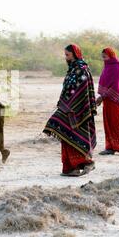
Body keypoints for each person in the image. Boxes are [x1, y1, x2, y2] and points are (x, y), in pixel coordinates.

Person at [44, 44, 97, 177]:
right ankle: (69, 168)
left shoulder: (82, 69)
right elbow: (68, 88)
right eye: (65, 55)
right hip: (67, 106)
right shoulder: (72, 69)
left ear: (75, 54)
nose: (66, 58)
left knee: (57, 123)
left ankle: (87, 162)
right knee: (66, 134)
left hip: (78, 110)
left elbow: (83, 91)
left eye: (68, 55)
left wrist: (71, 105)